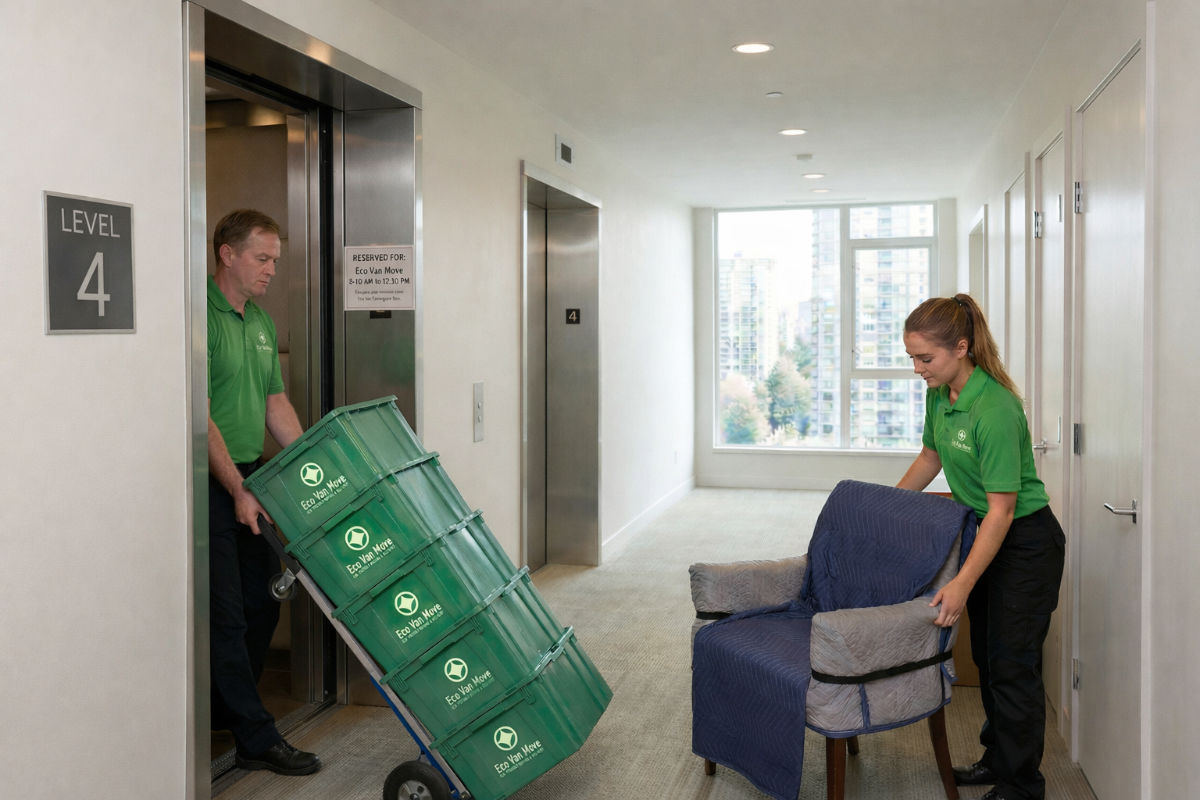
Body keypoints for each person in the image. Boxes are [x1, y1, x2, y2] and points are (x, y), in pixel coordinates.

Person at [896, 293, 1064, 800]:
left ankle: (1022, 785)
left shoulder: (995, 408)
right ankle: (998, 760)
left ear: (961, 347)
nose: (918, 369)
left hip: (1025, 543)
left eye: (925, 358)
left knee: (1013, 665)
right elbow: (930, 457)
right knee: (989, 659)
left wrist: (962, 583)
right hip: (986, 533)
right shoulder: (940, 394)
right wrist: (888, 509)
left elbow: (1003, 511)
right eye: (913, 358)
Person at [207, 209, 321, 775]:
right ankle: (254, 734)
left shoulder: (260, 322)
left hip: (251, 476)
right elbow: (198, 415)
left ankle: (224, 708)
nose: (272, 269)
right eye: (263, 258)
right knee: (226, 612)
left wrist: (310, 470)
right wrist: (236, 487)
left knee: (263, 599)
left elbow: (276, 404)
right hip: (207, 479)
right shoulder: (198, 317)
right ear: (227, 254)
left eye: (276, 259)